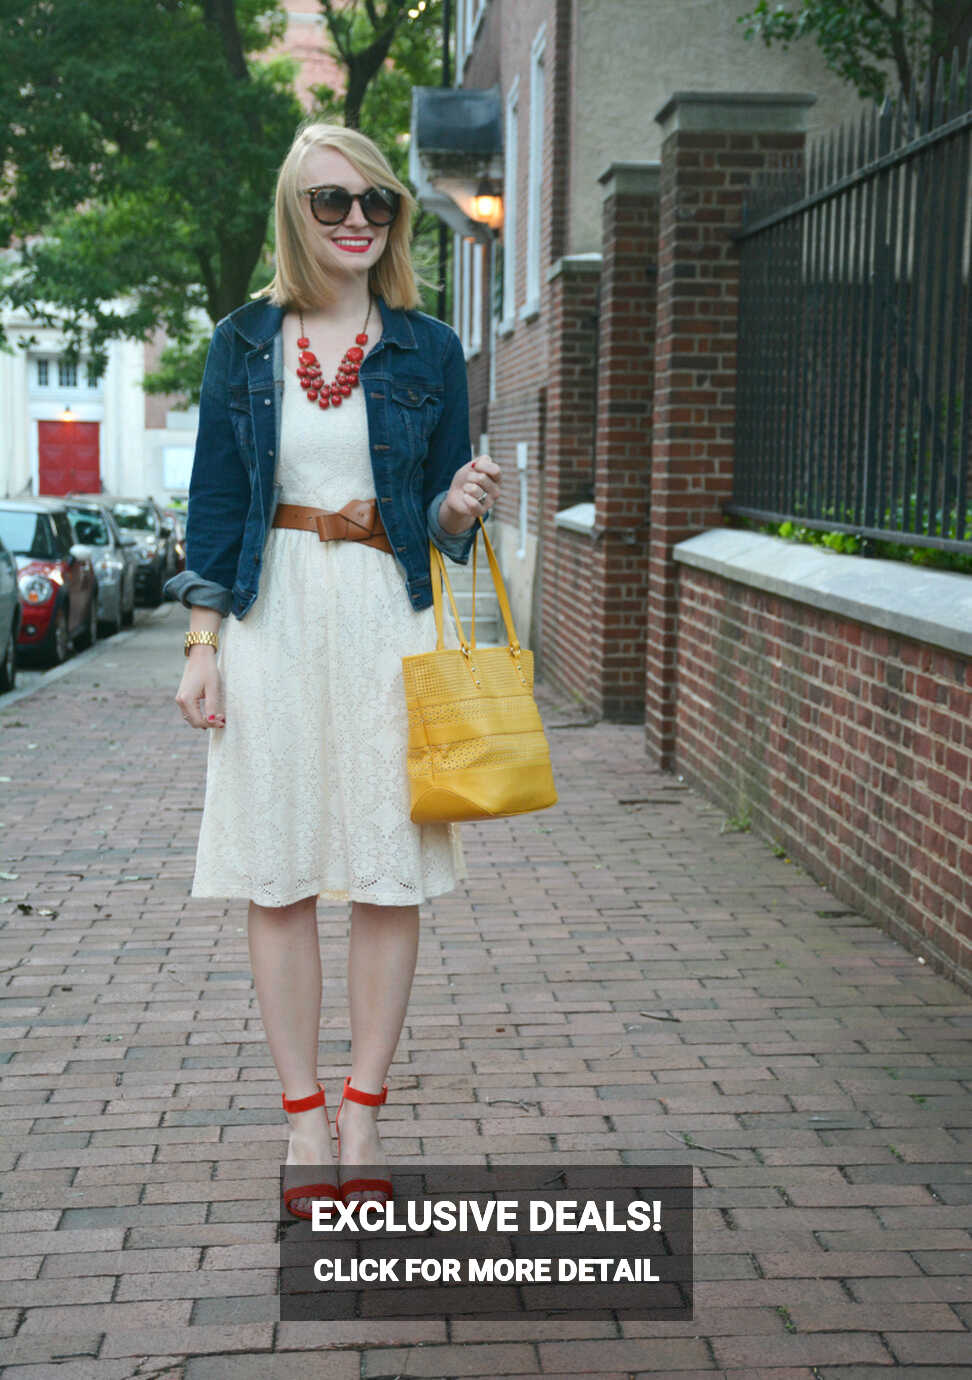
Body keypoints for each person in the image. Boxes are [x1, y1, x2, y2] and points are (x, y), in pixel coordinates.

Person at [165, 120, 501, 1220]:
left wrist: (452, 508)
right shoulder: (241, 345)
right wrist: (203, 644)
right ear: (293, 214)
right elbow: (216, 505)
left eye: (377, 202)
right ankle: (303, 1116)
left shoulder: (430, 348)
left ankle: (364, 1107)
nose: (357, 220)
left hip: (383, 622)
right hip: (272, 621)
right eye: (331, 202)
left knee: (387, 868)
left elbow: (441, 519)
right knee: (280, 871)